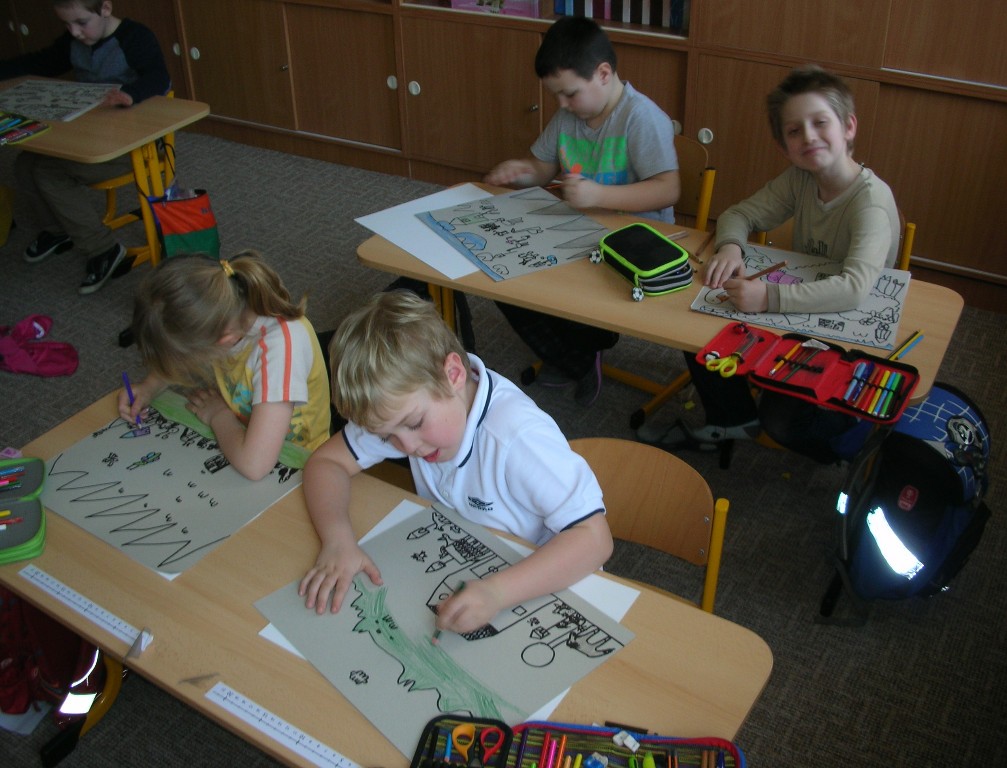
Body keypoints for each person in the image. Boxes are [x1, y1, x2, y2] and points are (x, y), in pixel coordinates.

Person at [298, 290, 613, 635]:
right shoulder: (399, 406)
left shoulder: (515, 438)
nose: (407, 447)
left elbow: (594, 540)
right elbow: (326, 464)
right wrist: (338, 539)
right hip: (474, 571)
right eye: (387, 438)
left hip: (549, 586)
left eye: (415, 424)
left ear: (453, 374)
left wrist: (497, 592)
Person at [647, 65, 900, 463]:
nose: (809, 137)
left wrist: (767, 298)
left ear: (849, 127)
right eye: (795, 131)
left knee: (781, 422)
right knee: (697, 325)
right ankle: (735, 417)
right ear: (784, 147)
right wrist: (731, 248)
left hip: (847, 330)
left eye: (820, 123)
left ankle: (853, 434)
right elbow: (738, 214)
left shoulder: (870, 202)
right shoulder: (801, 177)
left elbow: (854, 289)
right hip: (800, 313)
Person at [484, 17, 679, 406]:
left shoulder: (640, 117)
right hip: (578, 234)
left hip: (632, 246)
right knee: (500, 277)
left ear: (603, 74)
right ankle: (577, 357)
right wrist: (522, 171)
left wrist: (598, 194)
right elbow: (544, 168)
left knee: (568, 296)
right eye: (556, 95)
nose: (561, 104)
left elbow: (668, 189)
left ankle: (583, 347)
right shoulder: (568, 116)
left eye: (569, 93)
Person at [0, 0, 171, 294]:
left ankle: (103, 249)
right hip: (90, 135)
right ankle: (57, 229)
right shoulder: (75, 40)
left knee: (48, 172)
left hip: (135, 146)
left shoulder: (135, 37)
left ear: (105, 9)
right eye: (67, 25)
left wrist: (131, 94)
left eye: (81, 23)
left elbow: (159, 77)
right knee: (25, 164)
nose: (75, 32)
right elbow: (40, 62)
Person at [118, 251, 331, 480]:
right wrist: (150, 386)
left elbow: (254, 465)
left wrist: (218, 415)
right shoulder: (222, 312)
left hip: (296, 463)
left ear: (224, 340)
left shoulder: (281, 348)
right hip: (242, 437)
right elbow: (186, 346)